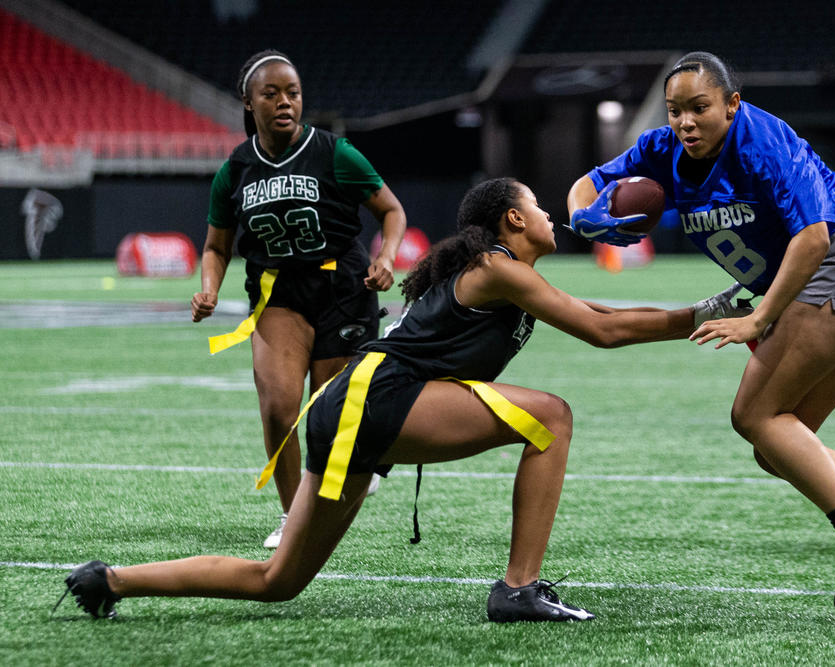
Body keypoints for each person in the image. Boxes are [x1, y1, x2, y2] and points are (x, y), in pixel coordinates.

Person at [58, 178, 749, 623]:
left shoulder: (505, 275)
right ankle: (518, 587)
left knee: (278, 580)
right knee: (551, 417)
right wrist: (713, 314)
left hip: (354, 406)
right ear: (514, 218)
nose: (548, 215)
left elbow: (600, 311)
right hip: (375, 397)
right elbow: (600, 330)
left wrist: (706, 310)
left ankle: (110, 580)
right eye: (538, 206)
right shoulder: (495, 268)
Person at [567, 52, 835, 615]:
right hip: (832, 281)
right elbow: (588, 182)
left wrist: (758, 317)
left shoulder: (763, 141)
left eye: (699, 108)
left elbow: (814, 238)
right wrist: (583, 216)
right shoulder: (661, 149)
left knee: (753, 417)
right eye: (676, 111)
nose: (686, 122)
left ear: (732, 104)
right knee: (779, 447)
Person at [190, 50, 407, 548]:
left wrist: (388, 257)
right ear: (249, 102)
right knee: (279, 408)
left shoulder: (335, 152)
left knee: (334, 413)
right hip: (277, 294)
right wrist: (208, 287)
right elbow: (216, 246)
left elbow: (391, 210)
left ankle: (367, 462)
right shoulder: (235, 169)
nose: (285, 101)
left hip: (343, 290)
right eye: (271, 93)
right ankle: (294, 517)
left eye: (293, 92)